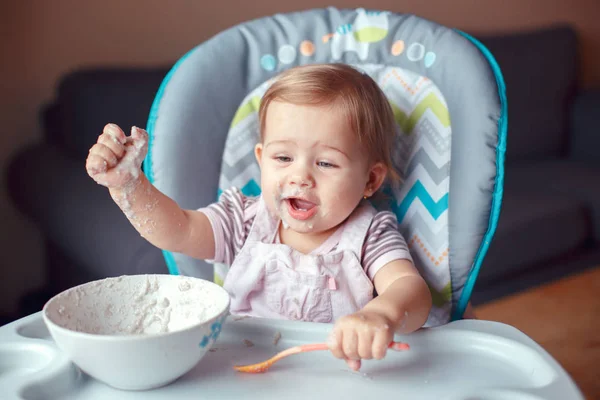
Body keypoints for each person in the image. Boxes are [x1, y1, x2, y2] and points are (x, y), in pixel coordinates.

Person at [85, 63, 432, 371]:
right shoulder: (245, 219)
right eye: (283, 158)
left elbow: (409, 289)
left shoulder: (369, 233)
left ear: (370, 179)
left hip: (337, 377)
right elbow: (180, 230)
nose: (300, 177)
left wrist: (381, 315)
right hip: (241, 370)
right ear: (261, 158)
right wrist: (129, 187)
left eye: (325, 163)